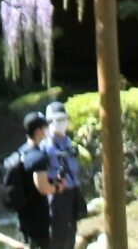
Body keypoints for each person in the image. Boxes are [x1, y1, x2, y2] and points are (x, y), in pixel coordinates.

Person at [1, 111, 67, 249]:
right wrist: (57, 188)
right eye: (45, 127)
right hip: (37, 218)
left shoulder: (22, 152)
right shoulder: (38, 157)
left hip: (23, 213)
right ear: (38, 131)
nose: (47, 130)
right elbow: (42, 187)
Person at [42, 100, 86, 249]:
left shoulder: (68, 142)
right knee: (57, 232)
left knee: (71, 230)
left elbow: (74, 166)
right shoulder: (45, 145)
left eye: (63, 119)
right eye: (57, 120)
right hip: (56, 192)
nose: (61, 123)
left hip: (72, 190)